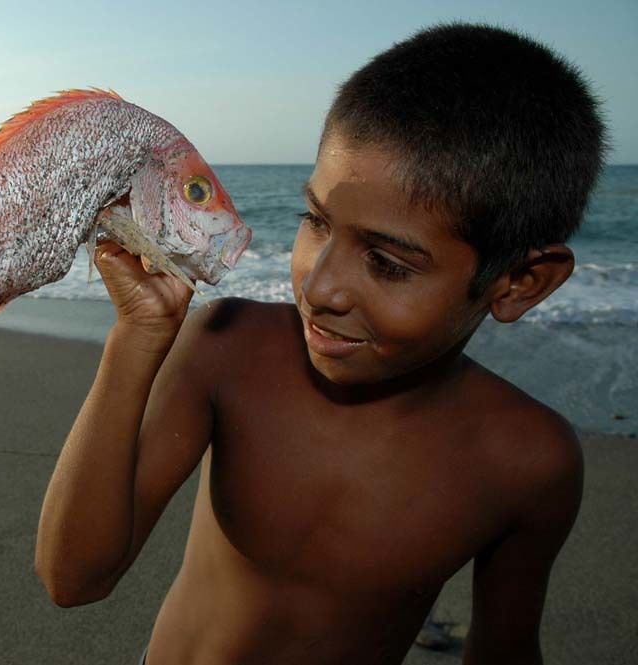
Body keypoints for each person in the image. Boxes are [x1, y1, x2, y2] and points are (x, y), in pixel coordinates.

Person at [35, 22, 606, 665]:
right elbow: (74, 578)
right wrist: (137, 338)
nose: (319, 286)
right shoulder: (230, 349)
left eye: (387, 263)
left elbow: (505, 649)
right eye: (316, 221)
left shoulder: (527, 461)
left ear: (522, 283)